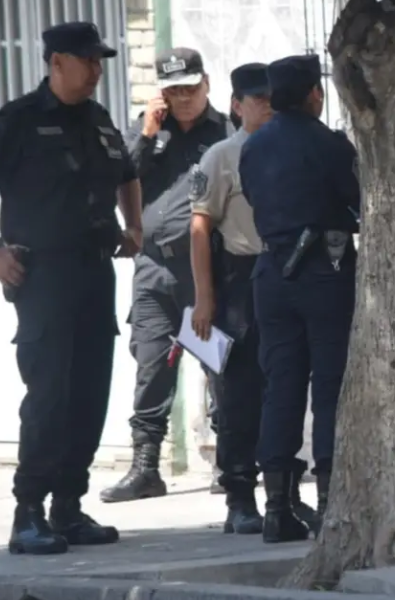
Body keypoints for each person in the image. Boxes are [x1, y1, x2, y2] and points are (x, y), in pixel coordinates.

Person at [0, 21, 143, 555]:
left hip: (93, 270)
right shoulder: (18, 120)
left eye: (101, 60)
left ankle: (68, 507)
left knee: (89, 394)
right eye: (88, 60)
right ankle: (29, 512)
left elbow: (127, 173)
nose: (97, 70)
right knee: (50, 396)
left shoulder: (99, 119)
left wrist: (134, 226)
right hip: (43, 275)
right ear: (57, 61)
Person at [102, 47, 233, 504]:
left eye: (190, 88)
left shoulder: (226, 133)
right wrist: (147, 134)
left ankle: (230, 463)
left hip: (206, 267)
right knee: (152, 365)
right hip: (153, 267)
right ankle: (146, 468)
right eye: (174, 90)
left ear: (207, 85)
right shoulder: (146, 132)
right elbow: (117, 177)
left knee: (219, 363)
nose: (184, 99)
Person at [239, 54, 359, 544]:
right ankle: (330, 503)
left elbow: (253, 198)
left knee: (281, 385)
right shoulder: (329, 143)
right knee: (330, 384)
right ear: (314, 93)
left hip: (271, 271)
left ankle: (276, 507)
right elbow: (355, 199)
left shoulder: (254, 145)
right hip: (324, 271)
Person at [188, 63, 274, 535]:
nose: (265, 105)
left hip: (288, 273)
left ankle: (282, 492)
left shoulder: (292, 146)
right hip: (240, 279)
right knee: (238, 394)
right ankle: (240, 496)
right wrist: (205, 299)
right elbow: (199, 229)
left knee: (282, 391)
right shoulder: (221, 156)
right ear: (237, 105)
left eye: (270, 97)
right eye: (255, 98)